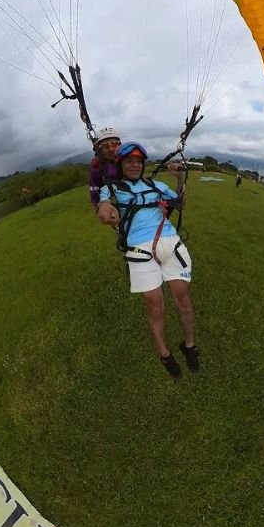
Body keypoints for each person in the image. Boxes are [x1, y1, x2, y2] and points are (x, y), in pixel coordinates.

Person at [96, 141, 198, 377]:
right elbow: (103, 208)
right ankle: (164, 353)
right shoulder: (111, 189)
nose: (134, 165)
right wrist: (105, 212)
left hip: (170, 242)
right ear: (120, 164)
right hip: (140, 251)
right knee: (155, 307)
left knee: (183, 301)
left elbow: (180, 204)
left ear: (142, 165)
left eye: (138, 161)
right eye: (129, 161)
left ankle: (189, 345)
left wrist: (180, 180)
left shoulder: (156, 185)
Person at [88, 126, 121, 211]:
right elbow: (94, 192)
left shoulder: (126, 161)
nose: (111, 149)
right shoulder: (97, 168)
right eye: (106, 146)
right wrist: (100, 208)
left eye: (114, 144)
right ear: (100, 150)